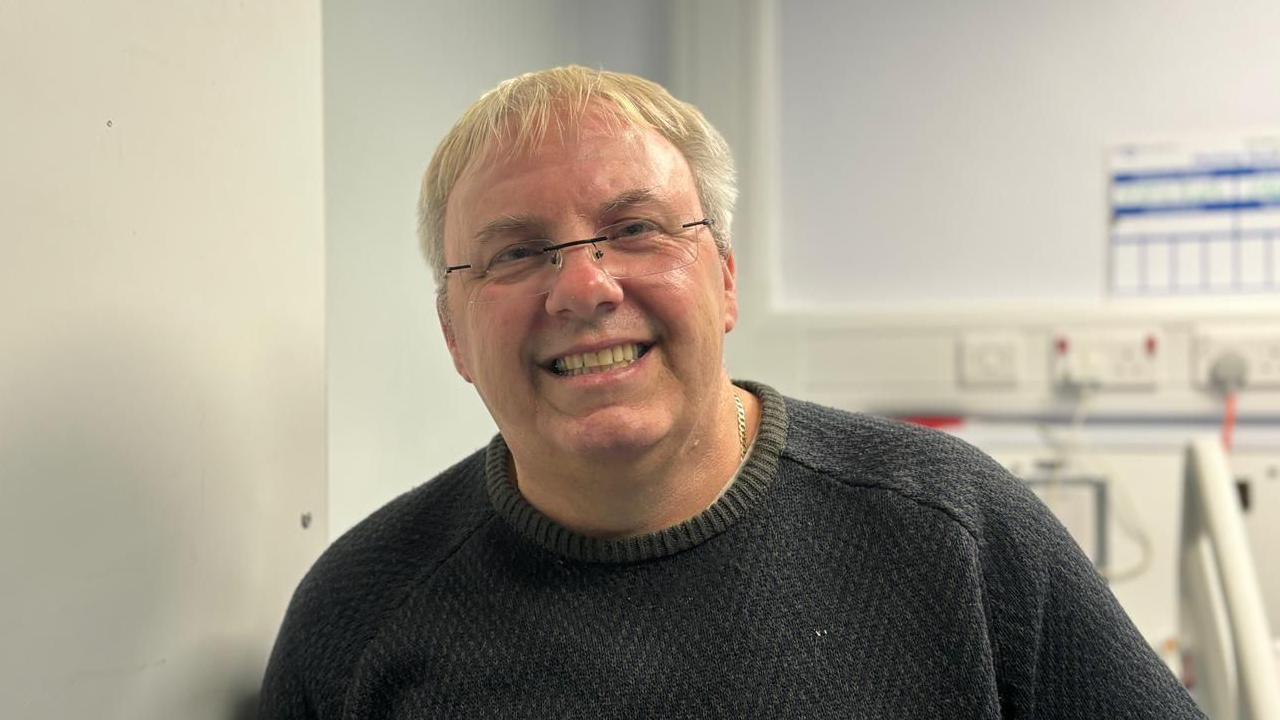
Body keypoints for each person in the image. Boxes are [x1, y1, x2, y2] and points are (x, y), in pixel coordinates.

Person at [260, 66, 1205, 719]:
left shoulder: (953, 531)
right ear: (454, 335)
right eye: (518, 252)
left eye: (635, 229)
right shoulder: (360, 611)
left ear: (723, 283)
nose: (586, 286)